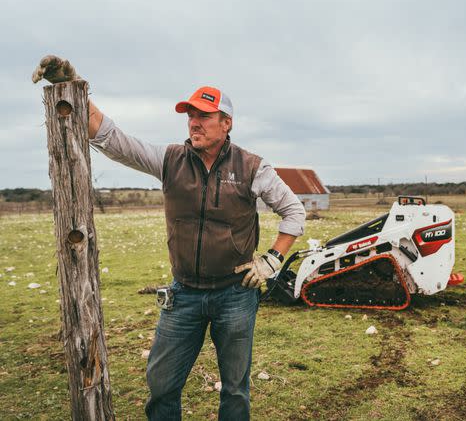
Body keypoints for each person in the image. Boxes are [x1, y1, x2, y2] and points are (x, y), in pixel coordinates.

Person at [32, 55, 306, 420]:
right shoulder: (169, 160)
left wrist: (271, 259)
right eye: (190, 115)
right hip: (184, 294)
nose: (195, 122)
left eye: (204, 116)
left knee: (236, 389)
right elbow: (113, 139)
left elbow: (294, 212)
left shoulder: (252, 167)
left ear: (226, 123)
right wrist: (75, 87)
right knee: (161, 385)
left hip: (235, 294)